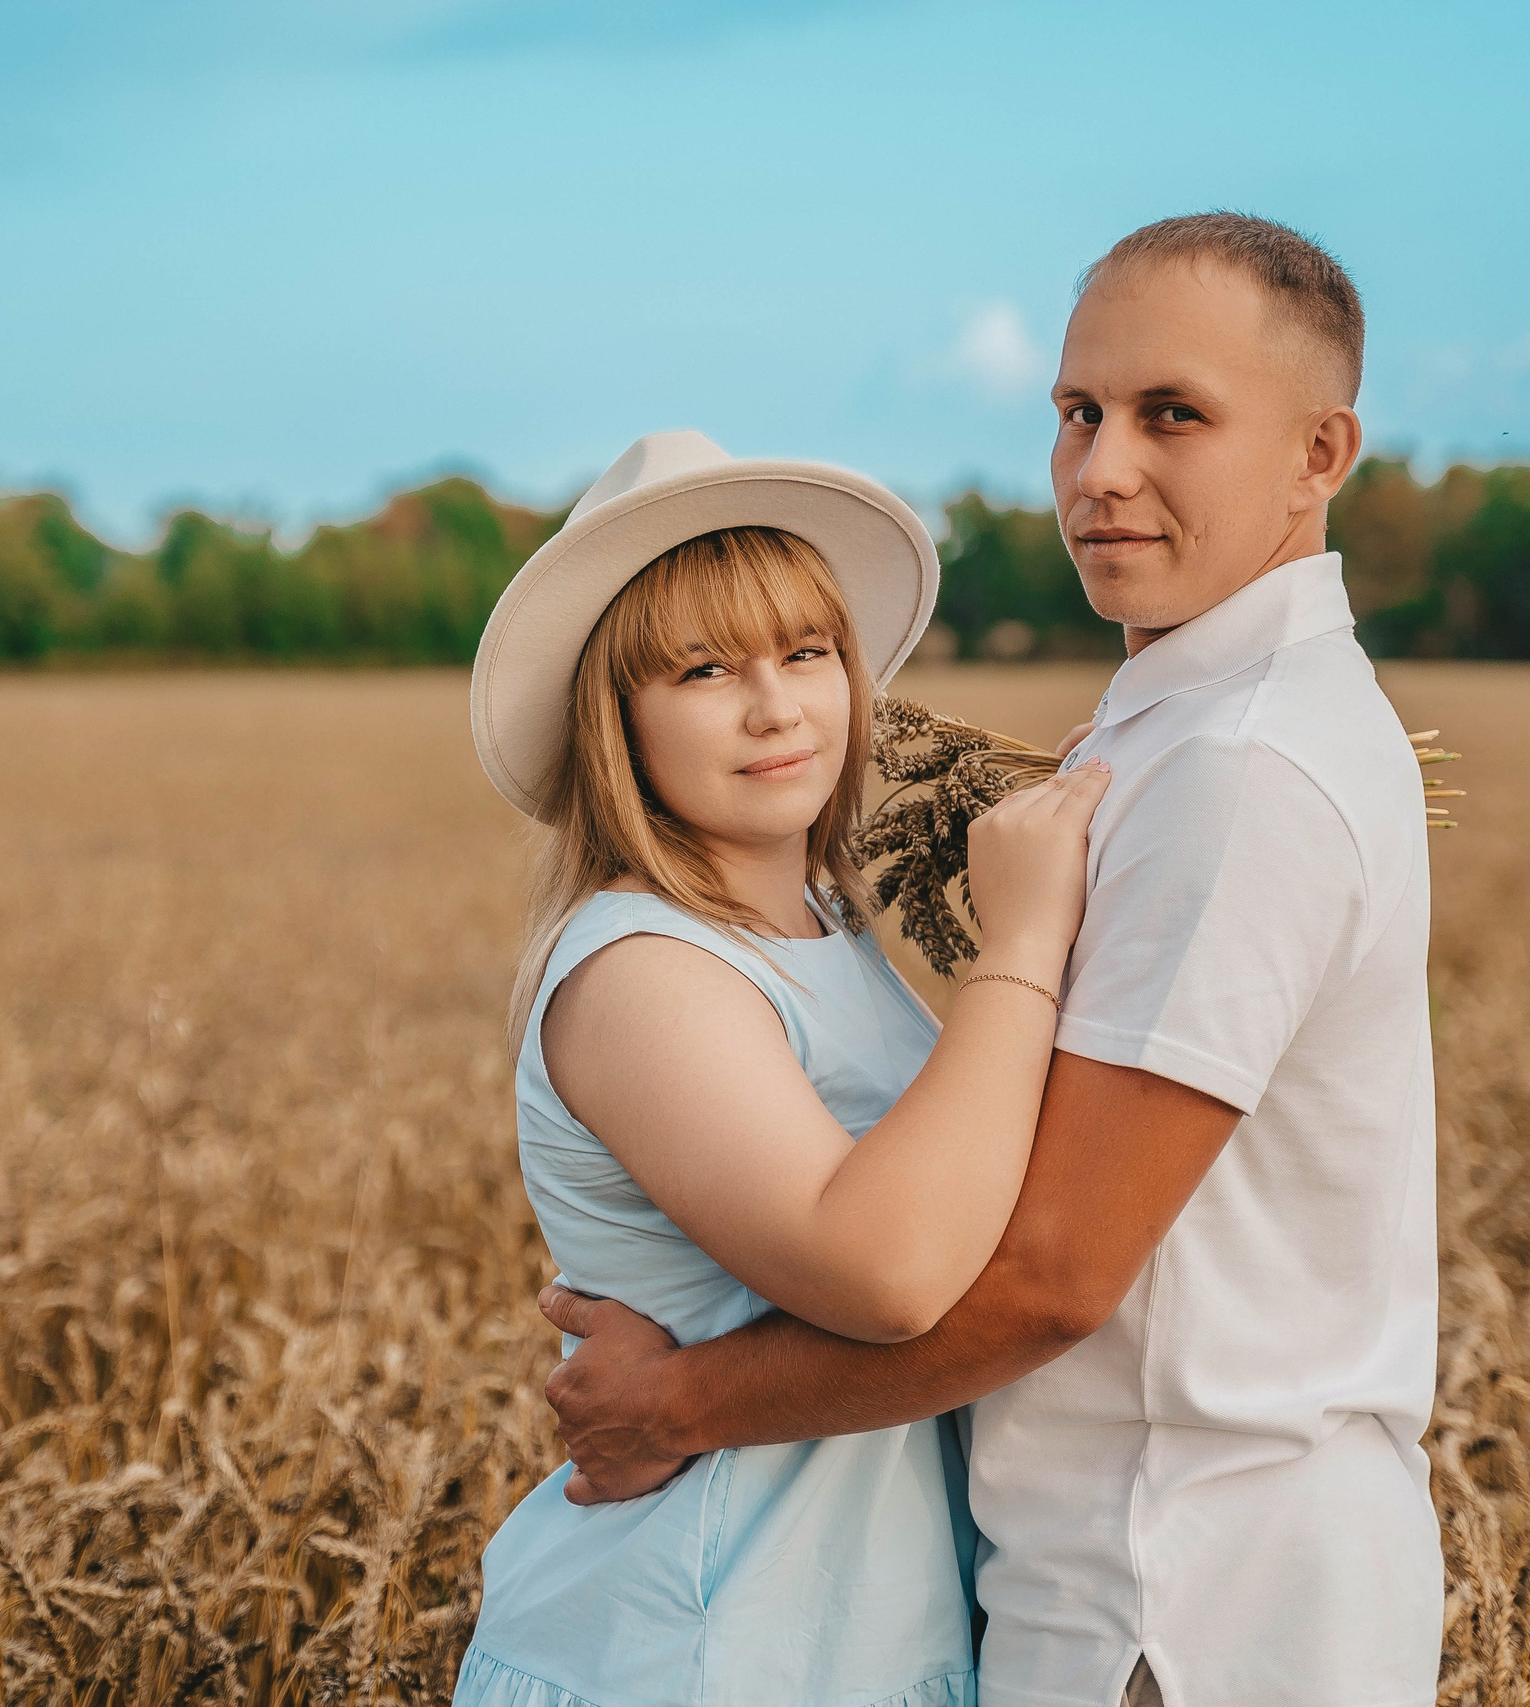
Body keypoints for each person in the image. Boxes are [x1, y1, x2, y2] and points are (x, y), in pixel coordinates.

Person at [539, 214, 1445, 1707]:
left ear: (1317, 453)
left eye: (1174, 416)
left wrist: (677, 1398)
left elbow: (1046, 1276)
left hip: (1180, 1600)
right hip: (1122, 1578)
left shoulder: (1243, 770)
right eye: (1078, 412)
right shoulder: (1182, 725)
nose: (1100, 471)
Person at [456, 429, 1114, 1707]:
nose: (777, 708)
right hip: (699, 1647)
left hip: (850, 1635)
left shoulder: (821, 925)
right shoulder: (642, 971)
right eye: (705, 669)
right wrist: (1021, 945)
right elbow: (884, 1270)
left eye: (806, 653)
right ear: (616, 718)